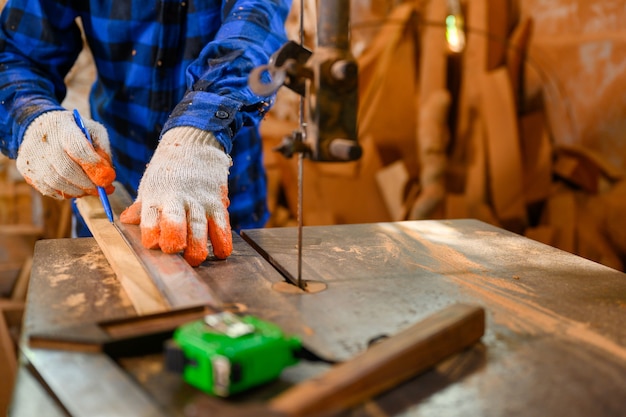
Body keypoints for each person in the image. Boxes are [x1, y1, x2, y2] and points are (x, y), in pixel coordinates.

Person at [0, 0, 291, 266]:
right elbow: (15, 53)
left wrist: (198, 133)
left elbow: (255, 30)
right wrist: (33, 118)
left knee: (236, 312)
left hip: (216, 184)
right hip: (117, 182)